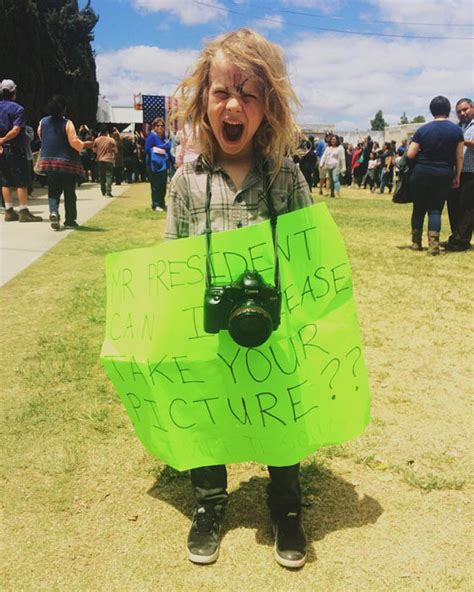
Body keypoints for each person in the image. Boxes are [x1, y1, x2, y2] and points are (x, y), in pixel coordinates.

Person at [166, 28, 313, 568]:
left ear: (268, 105)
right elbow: (171, 256)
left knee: (281, 414)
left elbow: (307, 253)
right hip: (209, 329)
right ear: (203, 98)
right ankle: (209, 502)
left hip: (271, 328)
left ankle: (287, 507)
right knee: (207, 414)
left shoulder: (285, 174)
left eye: (249, 94)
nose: (234, 105)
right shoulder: (186, 180)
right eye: (223, 91)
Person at [407, 96, 464, 255]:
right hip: (444, 173)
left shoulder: (423, 130)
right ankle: (433, 246)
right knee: (435, 210)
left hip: (421, 173)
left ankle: (416, 243)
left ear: (432, 111)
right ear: (448, 110)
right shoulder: (456, 130)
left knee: (418, 208)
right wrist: (457, 176)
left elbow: (411, 154)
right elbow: (459, 156)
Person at [36, 94, 92, 229]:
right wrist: (85, 145)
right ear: (64, 109)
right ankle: (70, 220)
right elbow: (73, 142)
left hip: (49, 163)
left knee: (53, 190)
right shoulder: (67, 123)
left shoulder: (43, 122)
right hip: (67, 164)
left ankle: (54, 212)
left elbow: (41, 136)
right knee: (69, 192)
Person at [0, 79, 42, 222]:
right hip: (15, 149)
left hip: (1, 150)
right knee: (21, 181)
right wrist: (4, 139)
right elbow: (16, 129)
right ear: (14, 92)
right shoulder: (18, 109)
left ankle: (9, 210)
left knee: (5, 180)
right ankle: (23, 211)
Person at [443, 98, 474, 252]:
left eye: (465, 109)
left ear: (472, 108)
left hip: (471, 172)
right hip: (456, 172)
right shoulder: (457, 128)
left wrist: (463, 141)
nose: (462, 113)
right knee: (453, 205)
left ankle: (462, 241)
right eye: (459, 111)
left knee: (468, 207)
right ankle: (455, 236)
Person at [144, 117, 173, 211]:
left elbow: (169, 148)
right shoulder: (151, 137)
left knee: (163, 185)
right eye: (158, 125)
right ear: (154, 127)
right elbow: (147, 149)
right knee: (156, 185)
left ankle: (162, 203)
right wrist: (160, 149)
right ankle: (155, 204)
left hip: (163, 165)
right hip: (154, 165)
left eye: (162, 125)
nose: (160, 127)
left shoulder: (164, 138)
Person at [93, 125, 117, 197]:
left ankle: (103, 191)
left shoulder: (97, 140)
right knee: (109, 176)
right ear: (107, 132)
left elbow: (94, 150)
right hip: (109, 160)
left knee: (102, 177)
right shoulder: (111, 140)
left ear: (100, 132)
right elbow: (116, 151)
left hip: (100, 160)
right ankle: (108, 191)